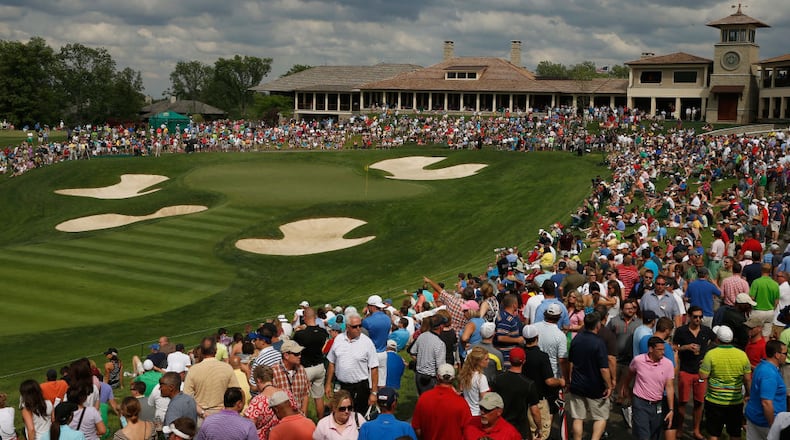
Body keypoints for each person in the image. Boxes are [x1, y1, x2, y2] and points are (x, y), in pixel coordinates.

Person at [699, 325, 752, 440]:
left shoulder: (711, 354)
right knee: (735, 433)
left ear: (717, 339)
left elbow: (703, 376)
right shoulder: (742, 355)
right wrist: (748, 393)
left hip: (714, 400)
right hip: (735, 401)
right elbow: (747, 379)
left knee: (713, 433)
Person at [568, 313, 612, 440]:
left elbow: (570, 362)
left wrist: (569, 379)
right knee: (600, 417)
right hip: (595, 386)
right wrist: (609, 385)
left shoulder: (576, 339)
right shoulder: (599, 343)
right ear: (598, 325)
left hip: (577, 384)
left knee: (578, 417)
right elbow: (604, 368)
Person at [673, 305, 715, 440]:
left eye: (700, 317)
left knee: (699, 401)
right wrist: (684, 347)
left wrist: (708, 355)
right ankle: (679, 428)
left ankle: (696, 430)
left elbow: (716, 342)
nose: (698, 319)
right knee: (683, 401)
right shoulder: (681, 331)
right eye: (695, 317)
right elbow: (674, 346)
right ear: (690, 317)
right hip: (685, 370)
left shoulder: (706, 331)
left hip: (701, 372)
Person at [622, 336, 675, 440]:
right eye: (659, 350)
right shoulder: (638, 361)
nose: (662, 352)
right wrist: (625, 388)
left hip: (657, 405)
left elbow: (669, 387)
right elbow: (629, 374)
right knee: (643, 435)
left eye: (663, 349)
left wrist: (671, 409)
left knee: (655, 435)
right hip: (640, 403)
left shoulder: (668, 364)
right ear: (651, 349)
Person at [326, 313, 380, 413]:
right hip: (342, 386)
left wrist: (374, 392)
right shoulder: (338, 340)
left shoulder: (367, 342)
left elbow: (374, 368)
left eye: (360, 325)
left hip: (361, 387)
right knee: (342, 414)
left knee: (360, 415)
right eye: (355, 326)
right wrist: (328, 384)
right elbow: (331, 362)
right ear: (347, 327)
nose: (358, 328)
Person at [490, 347, 542, 439]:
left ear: (509, 360)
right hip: (520, 428)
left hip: (500, 426)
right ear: (524, 361)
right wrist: (539, 427)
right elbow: (535, 411)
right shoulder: (528, 384)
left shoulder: (498, 379)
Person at [184, 337, 240, 422]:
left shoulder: (193, 370)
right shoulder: (227, 368)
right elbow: (236, 392)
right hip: (222, 415)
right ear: (216, 350)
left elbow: (187, 398)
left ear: (201, 351)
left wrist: (203, 413)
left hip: (202, 416)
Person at [522, 324, 562, 440]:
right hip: (539, 399)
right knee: (540, 434)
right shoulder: (542, 357)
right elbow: (549, 381)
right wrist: (561, 381)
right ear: (537, 337)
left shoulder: (521, 354)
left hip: (523, 400)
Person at [411, 364, 470, 440]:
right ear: (453, 379)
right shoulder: (461, 403)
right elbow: (467, 430)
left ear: (437, 377)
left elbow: (417, 427)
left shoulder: (424, 398)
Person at [745, 340, 788, 440]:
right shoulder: (769, 374)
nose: (786, 356)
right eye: (785, 353)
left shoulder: (762, 366)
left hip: (755, 418)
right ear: (777, 355)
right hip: (765, 423)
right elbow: (766, 402)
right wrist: (773, 425)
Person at [292, 307, 329, 418]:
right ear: (315, 317)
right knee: (319, 397)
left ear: (304, 317)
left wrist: (297, 330)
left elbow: (294, 347)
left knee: (304, 398)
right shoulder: (323, 332)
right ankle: (321, 422)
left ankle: (304, 423)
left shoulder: (300, 335)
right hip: (319, 366)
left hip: (306, 368)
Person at [244, 365, 296, 440]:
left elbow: (248, 429)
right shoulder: (287, 393)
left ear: (258, 380)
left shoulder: (257, 401)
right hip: (287, 435)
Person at [409, 314, 446, 395]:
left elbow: (412, 351)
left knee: (422, 401)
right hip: (431, 378)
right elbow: (440, 366)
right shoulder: (440, 343)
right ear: (441, 326)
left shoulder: (422, 336)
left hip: (418, 375)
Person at [272, 340, 310, 413]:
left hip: (299, 416)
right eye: (296, 354)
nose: (300, 356)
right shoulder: (274, 371)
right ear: (286, 355)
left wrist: (304, 412)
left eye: (300, 353)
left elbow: (305, 394)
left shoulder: (301, 369)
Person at [363, 295, 391, 388]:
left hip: (372, 354)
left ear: (372, 306)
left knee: (371, 384)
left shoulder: (367, 321)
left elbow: (363, 338)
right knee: (382, 382)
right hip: (383, 352)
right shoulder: (387, 318)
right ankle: (382, 400)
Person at [459, 346, 491, 416]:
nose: (488, 361)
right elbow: (485, 399)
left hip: (467, 412)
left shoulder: (465, 374)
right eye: (486, 359)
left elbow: (461, 389)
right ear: (479, 362)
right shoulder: (481, 378)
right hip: (477, 414)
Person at [751, 263, 781, 337]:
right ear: (770, 271)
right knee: (766, 335)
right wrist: (772, 310)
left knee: (754, 334)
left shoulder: (756, 282)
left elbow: (752, 298)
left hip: (757, 310)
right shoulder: (775, 284)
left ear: (761, 270)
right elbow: (776, 301)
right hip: (769, 311)